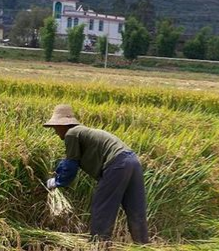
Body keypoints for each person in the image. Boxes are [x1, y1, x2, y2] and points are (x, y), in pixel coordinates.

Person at [44, 104, 149, 243]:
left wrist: (56, 183)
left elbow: (71, 165)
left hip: (117, 164)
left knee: (102, 207)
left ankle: (99, 245)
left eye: (56, 127)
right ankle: (143, 246)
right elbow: (67, 163)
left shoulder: (72, 134)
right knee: (135, 209)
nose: (55, 132)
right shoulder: (82, 132)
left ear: (63, 125)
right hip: (133, 161)